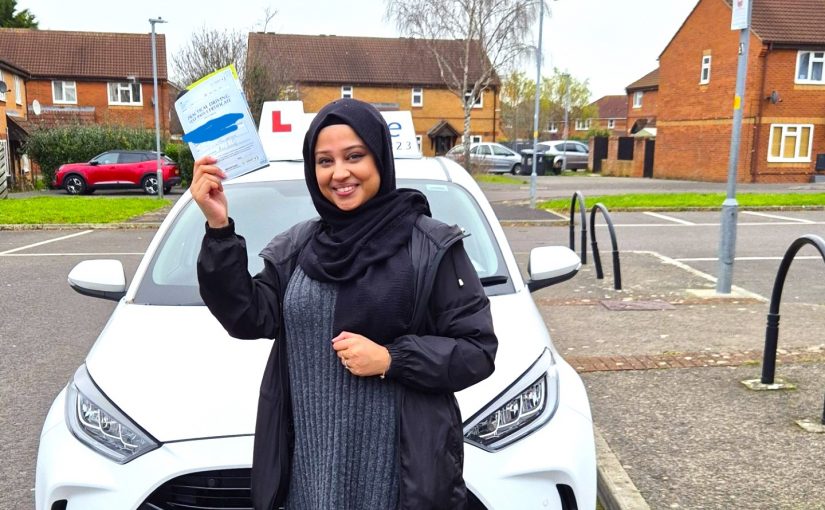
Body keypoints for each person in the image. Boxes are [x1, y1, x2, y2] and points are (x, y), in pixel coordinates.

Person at [192, 98, 497, 510]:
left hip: (396, 485)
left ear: (380, 158)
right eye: (324, 161)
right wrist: (218, 226)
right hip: (309, 481)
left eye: (355, 156)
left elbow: (477, 351)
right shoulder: (298, 247)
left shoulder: (429, 245)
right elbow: (247, 315)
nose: (339, 173)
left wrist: (392, 358)